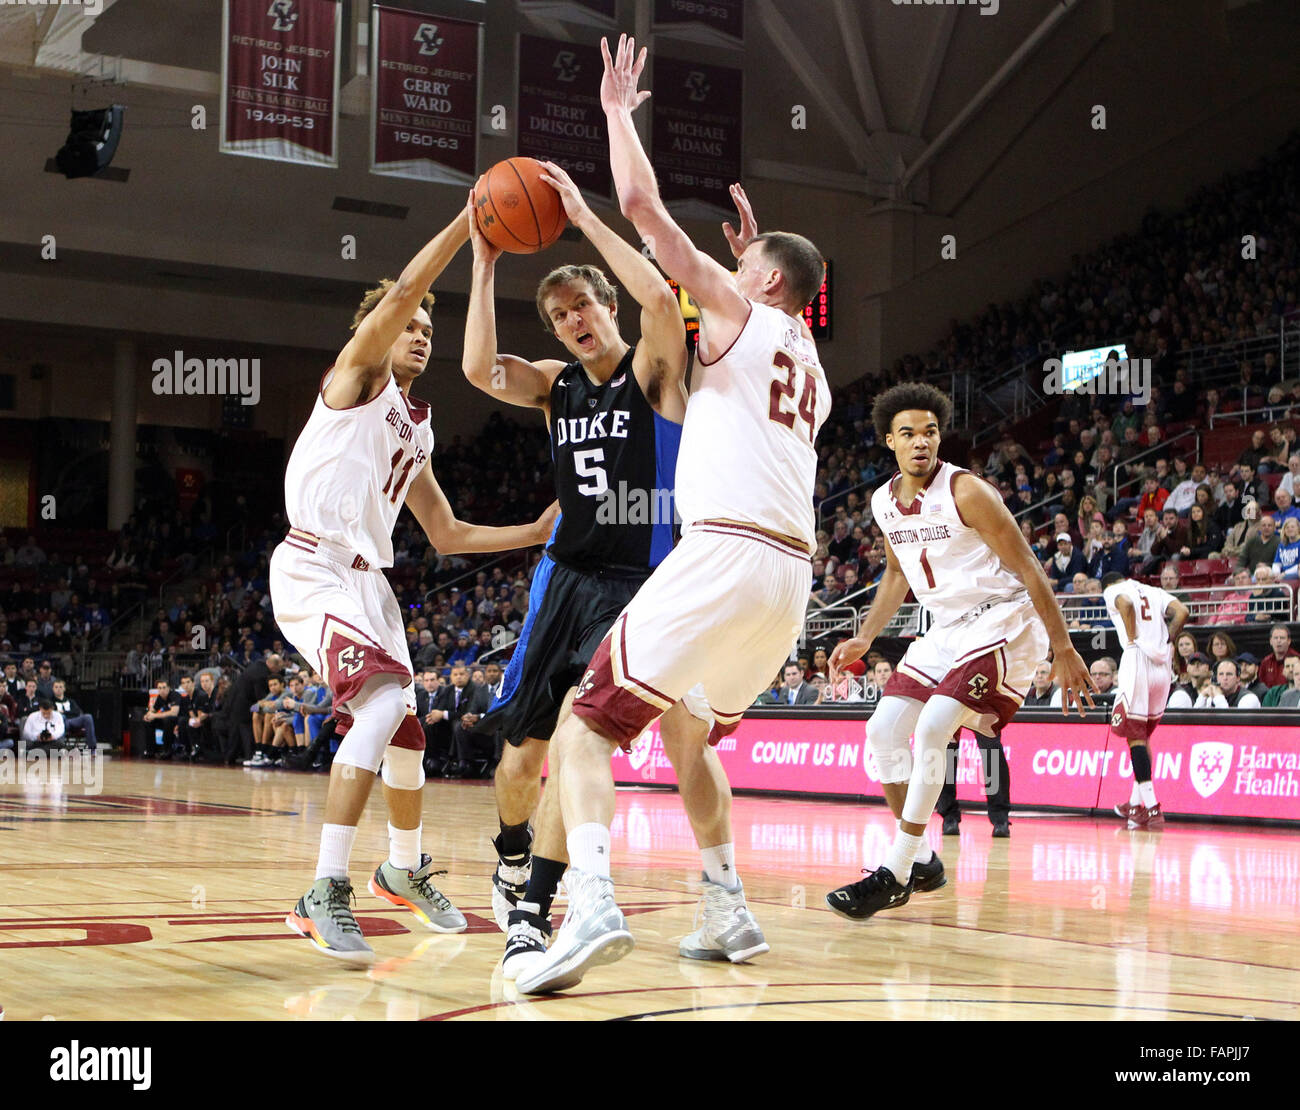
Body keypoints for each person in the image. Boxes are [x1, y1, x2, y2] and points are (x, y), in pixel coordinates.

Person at [515, 34, 829, 995]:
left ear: (762, 283)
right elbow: (753, 312)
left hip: (724, 552)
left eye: (746, 271)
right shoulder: (808, 358)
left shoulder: (744, 312)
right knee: (691, 735)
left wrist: (615, 116)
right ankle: (728, 907)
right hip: (789, 582)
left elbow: (647, 215)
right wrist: (750, 259)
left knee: (585, 724)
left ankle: (593, 905)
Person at [270, 206, 557, 962]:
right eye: (413, 326)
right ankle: (322, 890)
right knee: (381, 703)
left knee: (407, 734)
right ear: (379, 333)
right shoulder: (356, 375)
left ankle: (401, 868)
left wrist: (534, 529)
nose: (423, 334)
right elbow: (403, 291)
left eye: (431, 330)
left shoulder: (417, 425)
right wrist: (470, 226)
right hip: (315, 563)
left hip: (372, 582)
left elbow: (448, 533)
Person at [462, 156, 718, 967]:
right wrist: (484, 260)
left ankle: (547, 897)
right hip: (563, 579)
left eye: (582, 305)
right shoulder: (554, 387)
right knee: (521, 757)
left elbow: (658, 299)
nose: (574, 319)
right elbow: (476, 369)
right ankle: (511, 856)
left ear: (607, 306)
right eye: (561, 314)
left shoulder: (654, 371)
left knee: (581, 733)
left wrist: (582, 218)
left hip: (638, 584)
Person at [822, 381, 1093, 922]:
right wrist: (867, 637)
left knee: (933, 726)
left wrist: (1063, 647)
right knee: (882, 731)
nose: (921, 442)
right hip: (945, 627)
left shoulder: (967, 492)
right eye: (908, 434)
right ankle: (923, 860)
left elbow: (1030, 569)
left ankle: (894, 871)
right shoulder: (882, 502)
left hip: (1004, 619)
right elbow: (897, 573)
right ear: (888, 442)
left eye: (930, 432)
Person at [1101, 572, 1189, 830]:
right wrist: (1167, 638)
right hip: (1162, 665)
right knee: (1143, 735)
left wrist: (1131, 638)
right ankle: (1135, 804)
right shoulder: (1153, 591)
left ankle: (1152, 808)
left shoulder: (1112, 591)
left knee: (1134, 735)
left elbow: (1125, 605)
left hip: (1137, 659)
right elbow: (1182, 612)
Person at [50, 679, 96, 750]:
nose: (58, 689)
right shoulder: (50, 702)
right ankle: (59, 748)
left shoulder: (71, 701)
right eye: (56, 687)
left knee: (88, 717)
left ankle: (92, 748)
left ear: (64, 689)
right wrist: (65, 713)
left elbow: (77, 712)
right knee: (62, 717)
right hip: (60, 723)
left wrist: (64, 712)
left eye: (60, 687)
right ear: (53, 689)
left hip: (73, 721)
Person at [1259, 624, 1300, 688]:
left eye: (1282, 638)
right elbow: (1261, 685)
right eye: (1275, 638)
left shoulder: (1298, 659)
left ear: (1289, 641)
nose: (1278, 641)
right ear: (1271, 641)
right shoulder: (1265, 662)